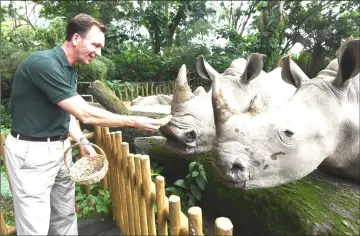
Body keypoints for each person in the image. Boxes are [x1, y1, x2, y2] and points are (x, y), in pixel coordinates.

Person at [5, 13, 167, 235]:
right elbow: (85, 114)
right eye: (96, 45)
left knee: (65, 215)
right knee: (35, 226)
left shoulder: (69, 69)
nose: (98, 52)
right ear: (76, 39)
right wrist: (132, 120)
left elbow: (69, 113)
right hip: (32, 153)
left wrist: (81, 140)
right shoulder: (44, 64)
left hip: (61, 149)